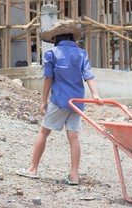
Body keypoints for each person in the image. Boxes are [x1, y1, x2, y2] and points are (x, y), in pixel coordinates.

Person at [16, 20, 102, 185]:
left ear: (55, 38)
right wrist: (96, 95)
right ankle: (74, 176)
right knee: (73, 137)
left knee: (43, 132)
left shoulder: (51, 54)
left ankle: (32, 169)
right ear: (72, 37)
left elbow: (48, 79)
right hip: (77, 102)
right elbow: (88, 76)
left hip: (60, 100)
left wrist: (43, 101)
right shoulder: (82, 53)